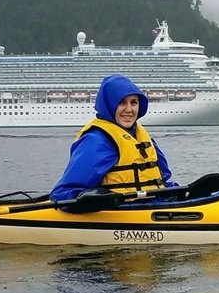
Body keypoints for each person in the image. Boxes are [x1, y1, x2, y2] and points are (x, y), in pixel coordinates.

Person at [52, 75, 177, 210]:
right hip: (123, 212)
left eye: (133, 103)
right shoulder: (97, 141)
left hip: (152, 207)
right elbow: (64, 194)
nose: (129, 110)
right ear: (109, 105)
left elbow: (162, 179)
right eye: (122, 102)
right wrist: (100, 198)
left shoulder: (140, 136)